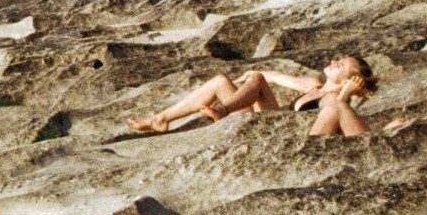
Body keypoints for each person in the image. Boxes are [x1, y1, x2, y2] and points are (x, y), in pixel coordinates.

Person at [125, 52, 377, 140]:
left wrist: (348, 91)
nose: (333, 62)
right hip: (269, 121)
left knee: (255, 80)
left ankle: (223, 110)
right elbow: (275, 78)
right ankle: (160, 119)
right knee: (224, 81)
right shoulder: (313, 84)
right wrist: (246, 77)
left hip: (279, 132)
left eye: (341, 64)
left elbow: (351, 124)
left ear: (351, 79)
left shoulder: (341, 99)